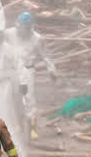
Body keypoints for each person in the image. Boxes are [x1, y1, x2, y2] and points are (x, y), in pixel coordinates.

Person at [5, 12, 55, 140]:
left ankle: (32, 127)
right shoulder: (9, 34)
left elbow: (45, 55)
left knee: (28, 98)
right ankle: (16, 125)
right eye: (21, 26)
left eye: (26, 27)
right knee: (12, 97)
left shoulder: (37, 38)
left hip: (27, 70)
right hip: (12, 70)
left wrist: (51, 70)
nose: (23, 29)